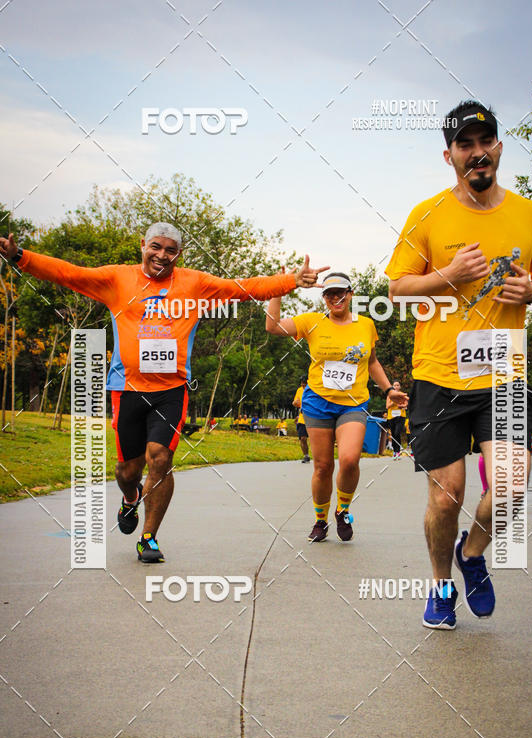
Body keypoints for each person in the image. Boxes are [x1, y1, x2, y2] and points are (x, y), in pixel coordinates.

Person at [0, 226, 327, 562]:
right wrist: (19, 256)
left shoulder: (195, 284)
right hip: (127, 388)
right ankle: (130, 498)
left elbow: (243, 288)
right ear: (143, 245)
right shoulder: (117, 279)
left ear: (179, 254)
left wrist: (290, 281)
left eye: (170, 250)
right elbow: (69, 274)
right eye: (155, 247)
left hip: (171, 389)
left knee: (160, 457)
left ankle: (149, 538)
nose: (162, 255)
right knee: (127, 471)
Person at [387, 100, 532, 629]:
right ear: (450, 156)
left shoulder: (530, 215)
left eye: (485, 141)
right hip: (439, 375)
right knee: (446, 498)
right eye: (465, 144)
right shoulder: (427, 214)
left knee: (511, 486)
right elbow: (397, 287)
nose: (477, 152)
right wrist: (448, 274)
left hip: (504, 369)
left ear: (499, 148)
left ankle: (472, 554)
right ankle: (441, 586)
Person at [266, 271, 408, 541]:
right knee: (322, 467)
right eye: (330, 294)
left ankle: (343, 510)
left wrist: (389, 390)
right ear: (324, 298)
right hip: (318, 403)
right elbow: (273, 327)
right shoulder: (312, 322)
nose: (335, 298)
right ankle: (320, 520)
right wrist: (278, 289)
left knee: (350, 460)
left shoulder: (366, 325)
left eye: (340, 292)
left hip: (353, 404)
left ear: (350, 294)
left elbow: (372, 362)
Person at [386, 381, 408, 459]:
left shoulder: (402, 395)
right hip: (391, 417)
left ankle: (398, 451)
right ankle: (395, 451)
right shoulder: (389, 395)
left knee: (397, 432)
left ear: (400, 387)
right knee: (393, 434)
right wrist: (393, 402)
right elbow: (387, 406)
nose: (396, 386)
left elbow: (406, 405)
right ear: (392, 387)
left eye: (398, 385)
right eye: (394, 385)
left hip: (401, 416)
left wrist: (402, 406)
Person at [293, 376, 310, 462]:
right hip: (302, 417)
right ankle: (306, 456)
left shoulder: (314, 390)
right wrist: (295, 403)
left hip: (313, 417)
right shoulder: (299, 390)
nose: (303, 386)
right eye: (302, 384)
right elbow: (295, 402)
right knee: (303, 438)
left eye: (305, 385)